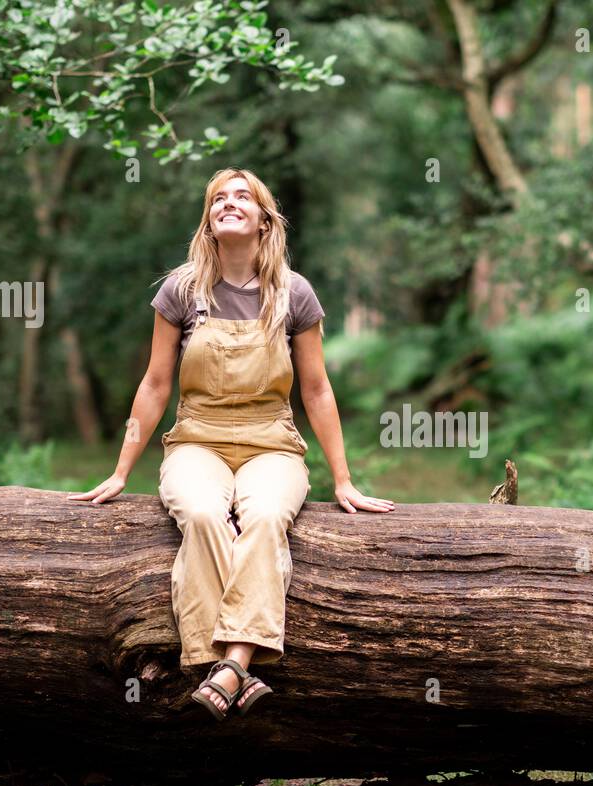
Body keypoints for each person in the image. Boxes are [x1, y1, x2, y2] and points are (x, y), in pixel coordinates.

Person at [70, 167, 395, 721]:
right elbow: (154, 384)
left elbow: (316, 389)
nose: (230, 202)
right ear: (209, 220)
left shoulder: (294, 293)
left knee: (267, 515)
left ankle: (227, 665)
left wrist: (343, 479)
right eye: (219, 197)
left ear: (265, 220)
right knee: (200, 512)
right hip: (197, 439)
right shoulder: (180, 290)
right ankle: (231, 667)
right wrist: (122, 470)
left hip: (273, 444)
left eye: (243, 196)